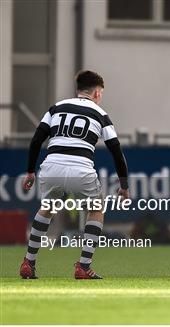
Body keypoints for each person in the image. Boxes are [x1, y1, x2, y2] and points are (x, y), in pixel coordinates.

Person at [19, 70, 129, 279]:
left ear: (77, 90)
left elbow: (36, 140)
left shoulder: (56, 108)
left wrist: (30, 171)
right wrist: (124, 185)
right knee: (96, 209)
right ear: (97, 93)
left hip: (52, 165)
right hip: (81, 167)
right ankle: (84, 266)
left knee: (47, 208)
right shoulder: (101, 114)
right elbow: (116, 150)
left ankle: (28, 262)